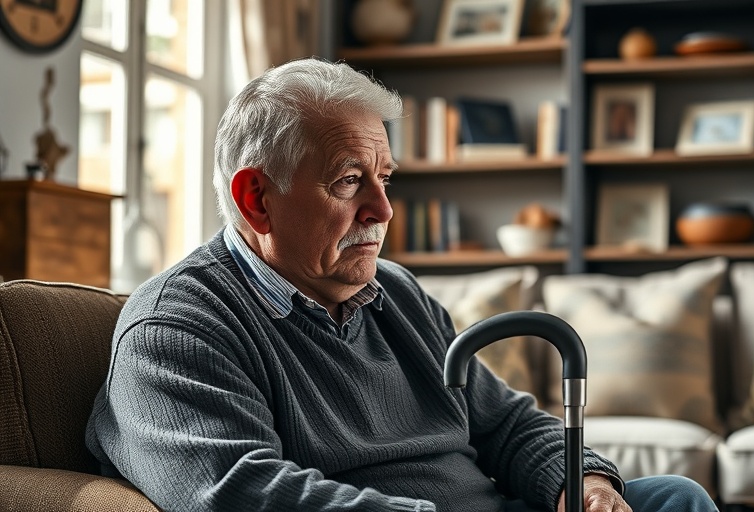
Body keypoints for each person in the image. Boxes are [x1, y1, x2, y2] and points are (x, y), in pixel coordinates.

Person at [85, 57, 718, 512]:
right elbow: (236, 489)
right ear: (257, 200)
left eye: (386, 179)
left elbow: (505, 425)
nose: (384, 213)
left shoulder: (398, 294)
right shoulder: (178, 327)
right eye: (348, 181)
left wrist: (579, 482)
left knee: (676, 498)